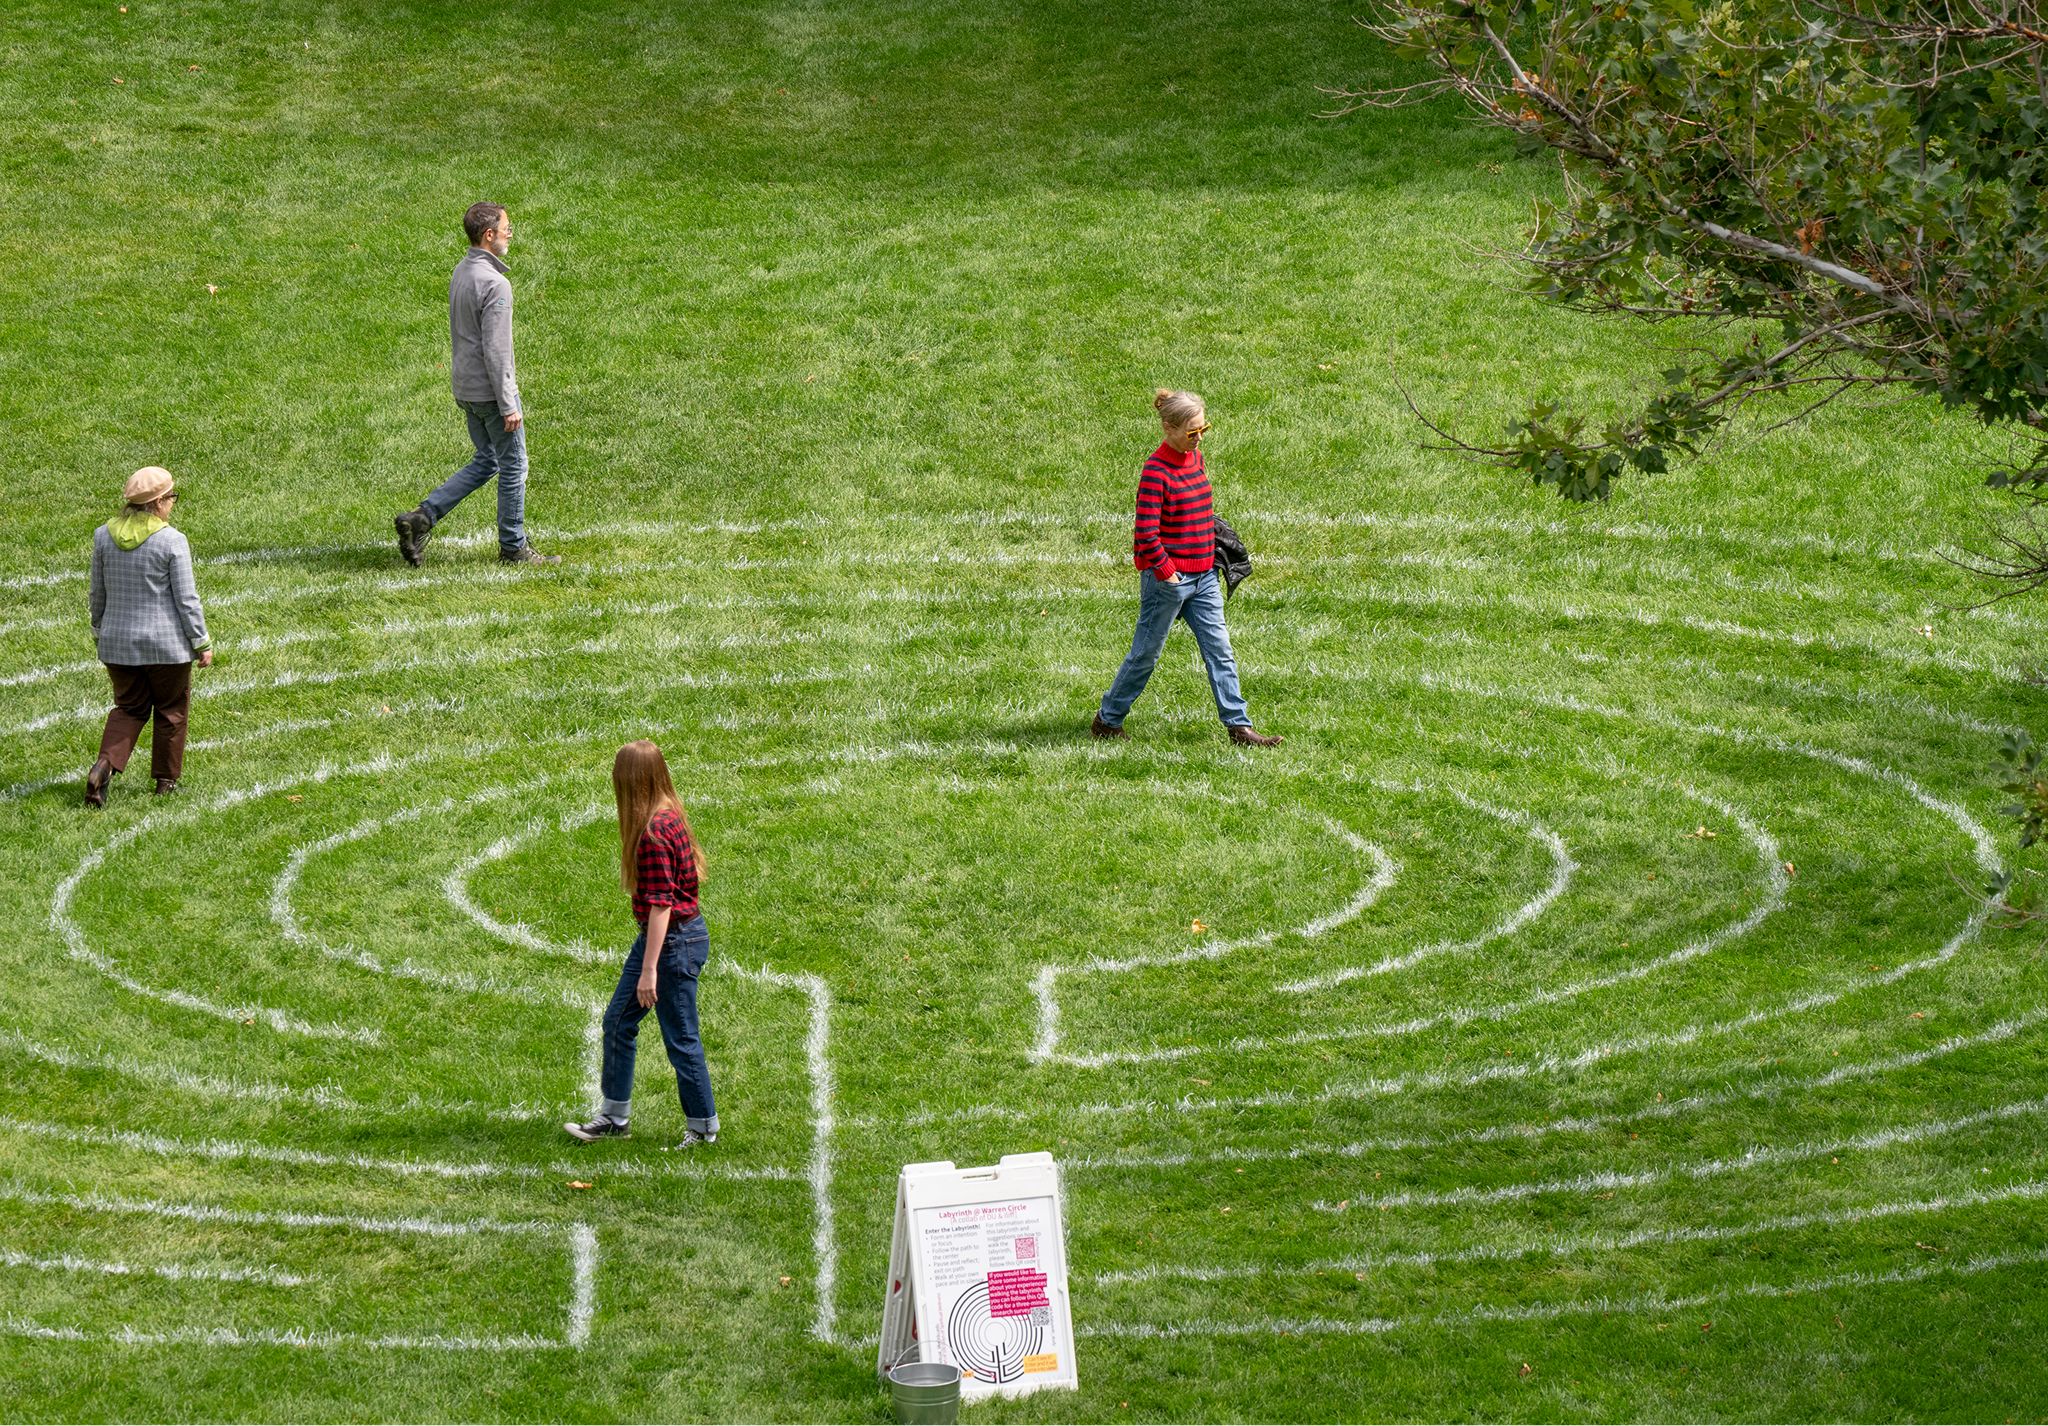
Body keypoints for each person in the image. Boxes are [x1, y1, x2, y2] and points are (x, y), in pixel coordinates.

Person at [1093, 390, 1282, 747]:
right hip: (1169, 581)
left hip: (1205, 576)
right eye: (1192, 432)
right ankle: (1108, 719)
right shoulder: (1155, 472)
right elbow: (1146, 533)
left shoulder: (1195, 459)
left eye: (1203, 429)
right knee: (1146, 654)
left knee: (1220, 651)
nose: (1199, 438)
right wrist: (1168, 572)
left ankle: (1239, 727)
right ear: (1169, 428)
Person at [566, 740, 721, 1149]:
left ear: (631, 782)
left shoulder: (653, 832)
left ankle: (703, 1127)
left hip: (673, 943)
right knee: (618, 1022)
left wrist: (650, 969)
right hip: (672, 938)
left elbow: (661, 905)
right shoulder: (668, 813)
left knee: (681, 1036)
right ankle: (615, 1117)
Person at [394, 202, 558, 567]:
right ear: (489, 235)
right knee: (514, 466)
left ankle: (422, 518)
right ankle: (514, 547)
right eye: (506, 228)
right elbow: (496, 351)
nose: (510, 234)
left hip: (466, 388)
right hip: (490, 393)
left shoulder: (462, 271)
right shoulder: (495, 284)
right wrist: (508, 404)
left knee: (488, 459)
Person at [85, 466, 214, 805]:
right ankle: (165, 782)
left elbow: (97, 593)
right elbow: (186, 600)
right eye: (171, 498)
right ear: (157, 502)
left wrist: (100, 632)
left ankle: (103, 766)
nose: (172, 504)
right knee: (171, 710)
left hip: (117, 643)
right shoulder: (172, 541)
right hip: (166, 648)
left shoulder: (103, 536)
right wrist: (201, 641)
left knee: (129, 708)